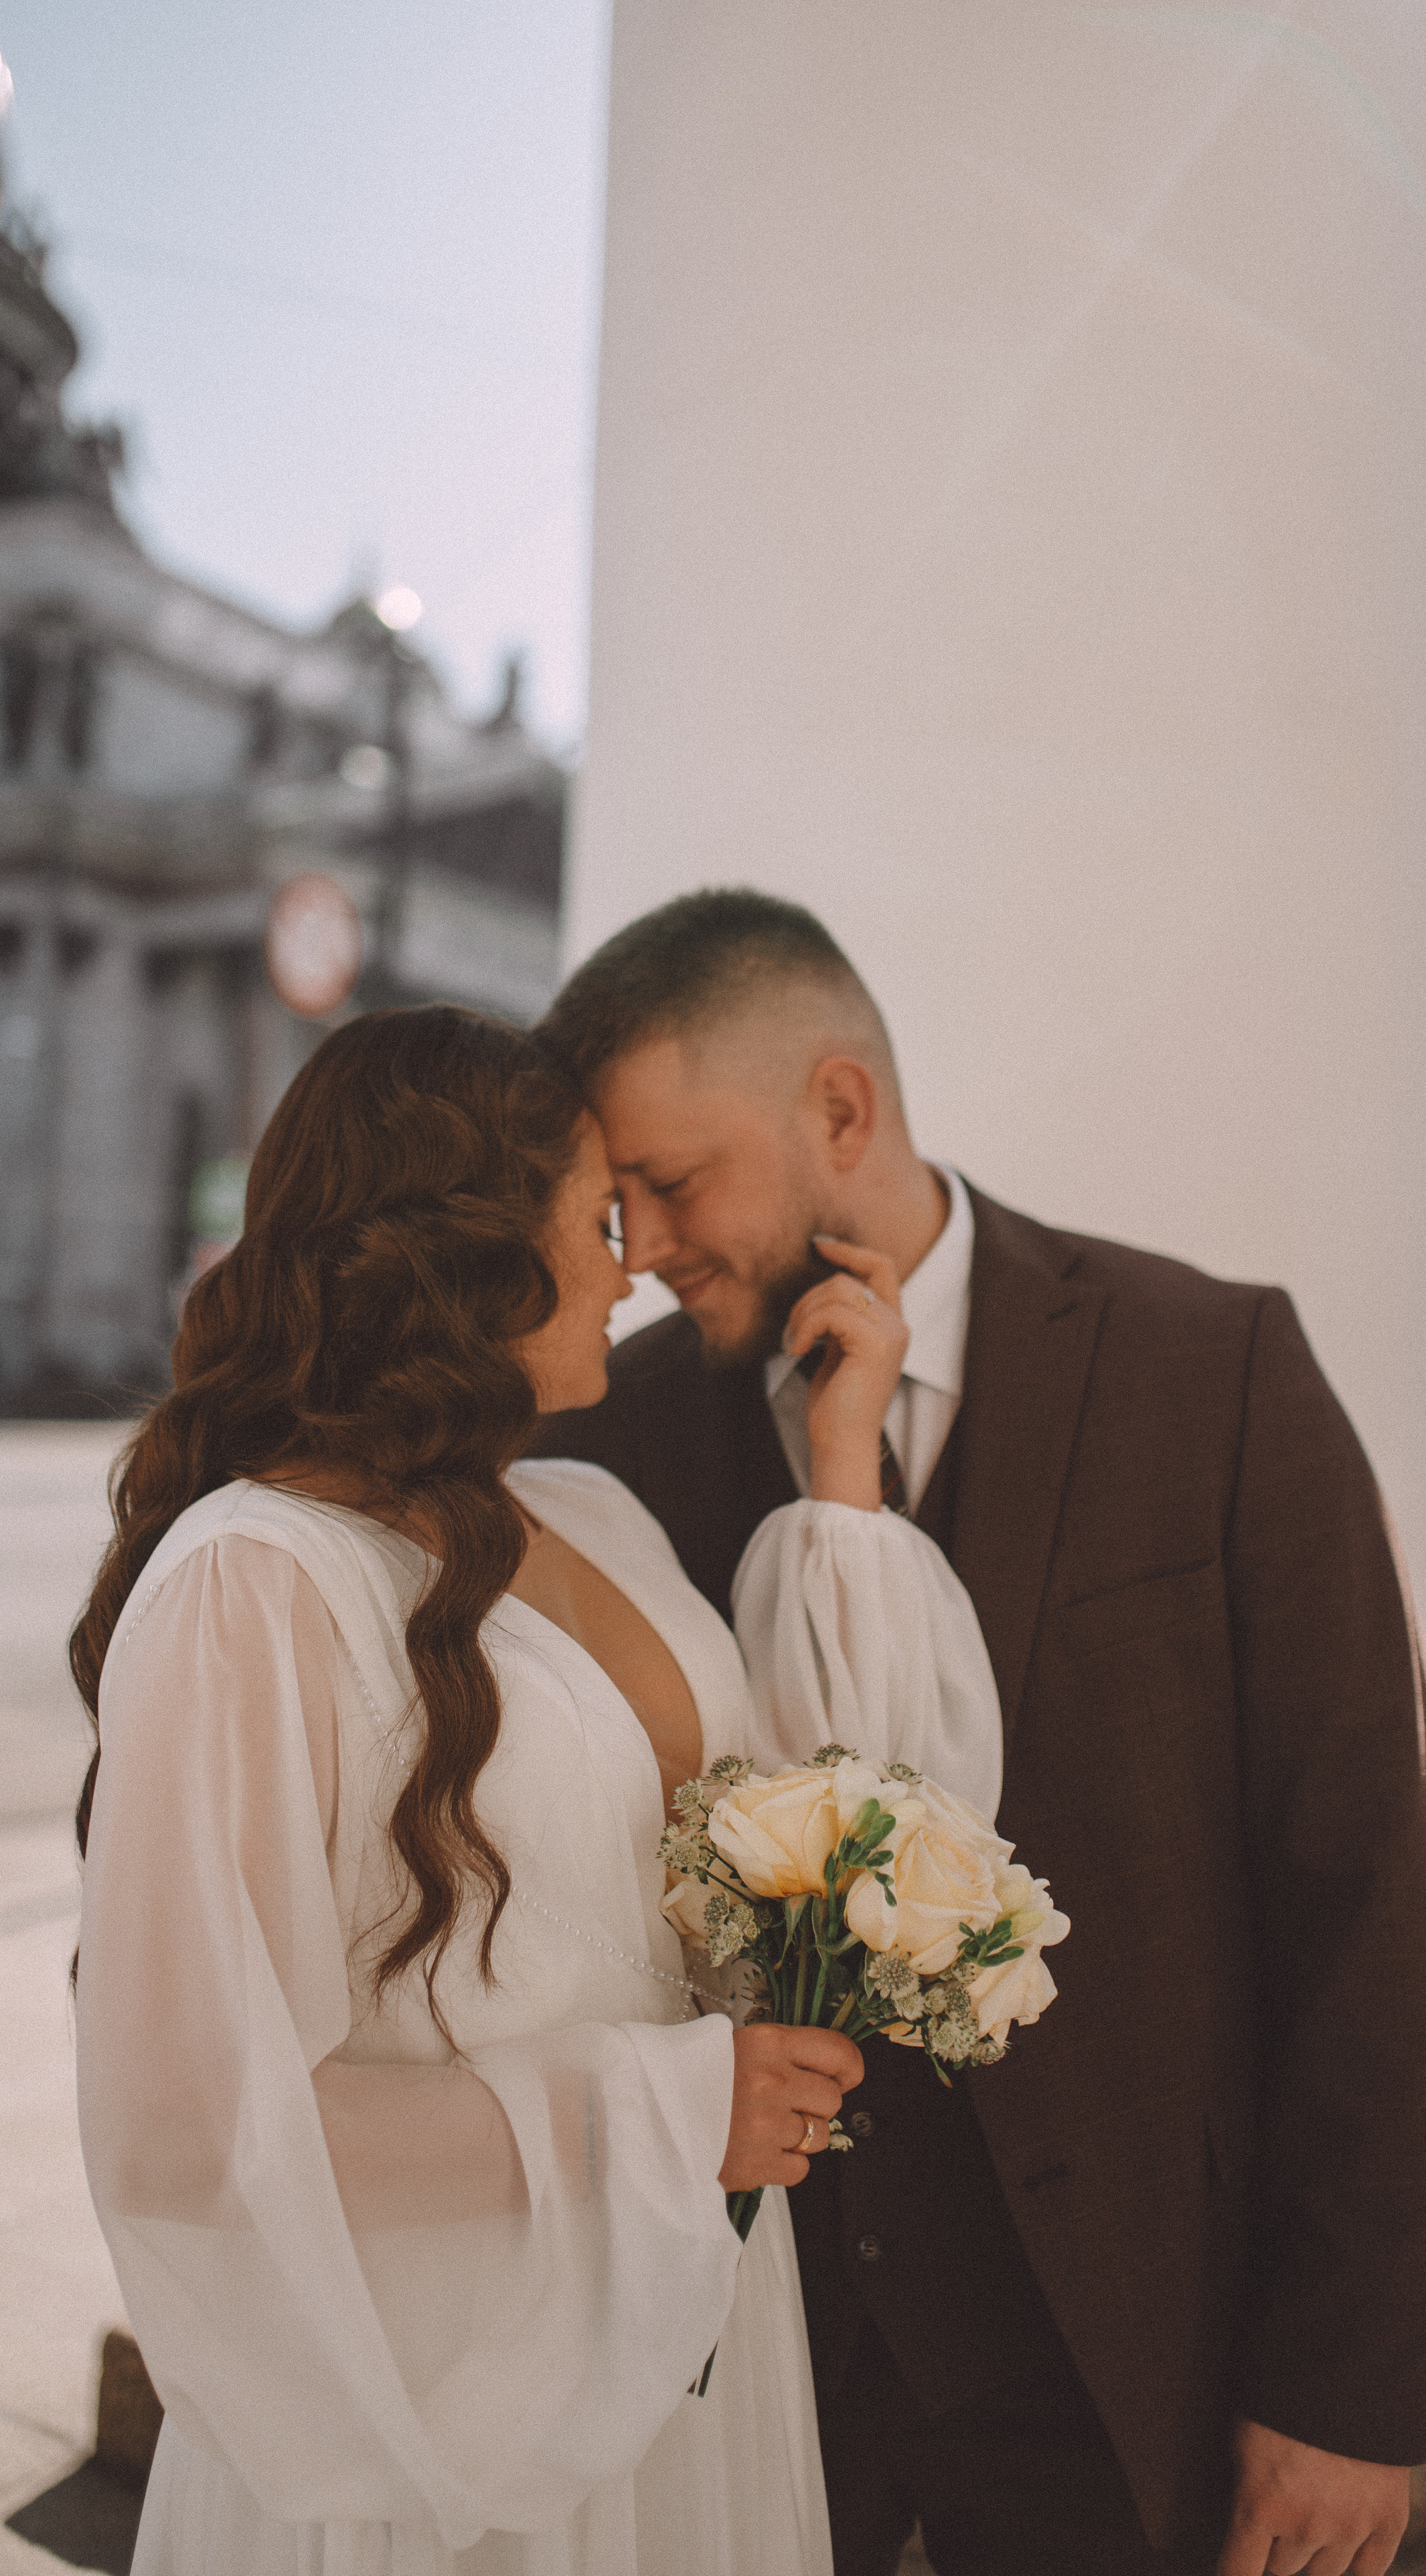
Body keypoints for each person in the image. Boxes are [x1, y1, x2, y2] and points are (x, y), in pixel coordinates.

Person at [530, 889, 1426, 2576]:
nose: (637, 1246)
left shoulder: (1213, 1370)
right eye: (611, 1200)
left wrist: (1354, 2384)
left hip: (1139, 2370)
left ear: (840, 1109)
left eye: (669, 1180)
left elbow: (1368, 1898)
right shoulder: (625, 1436)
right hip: (761, 2389)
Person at [70, 1005, 1006, 2576]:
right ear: (468, 1252)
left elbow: (841, 1812)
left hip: (682, 2346)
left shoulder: (590, 1515)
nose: (632, 1260)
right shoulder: (254, 1581)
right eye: (596, 1217)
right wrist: (648, 2113)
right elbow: (186, 2133)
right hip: (443, 2399)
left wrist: (841, 1461)